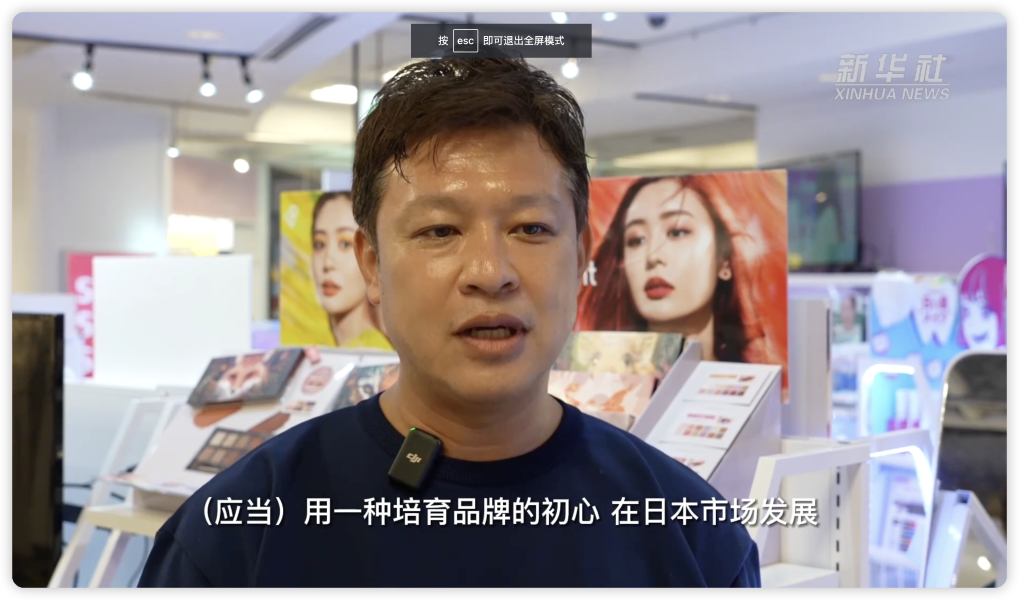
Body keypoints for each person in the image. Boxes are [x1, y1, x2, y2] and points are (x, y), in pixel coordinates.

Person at [139, 56, 759, 588]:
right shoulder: (241, 531)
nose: (490, 272)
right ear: (372, 265)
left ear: (579, 259)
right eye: (440, 230)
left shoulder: (690, 531)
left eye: (531, 228)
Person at [578, 175, 787, 373]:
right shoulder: (596, 386)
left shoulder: (754, 381)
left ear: (724, 260)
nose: (653, 256)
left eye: (677, 232)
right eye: (636, 240)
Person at [311, 192, 391, 349]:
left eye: (345, 244)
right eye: (320, 244)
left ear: (371, 258)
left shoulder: (375, 353)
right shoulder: (327, 349)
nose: (327, 263)